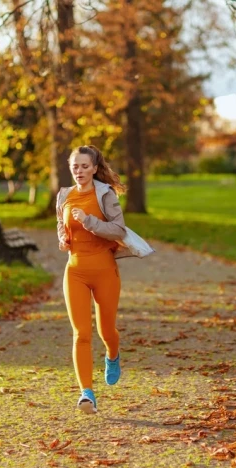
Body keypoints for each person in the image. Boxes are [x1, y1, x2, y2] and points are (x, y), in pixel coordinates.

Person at [56, 145, 153, 414]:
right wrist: (63, 240)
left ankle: (112, 354)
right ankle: (86, 393)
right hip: (74, 270)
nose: (79, 171)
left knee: (105, 330)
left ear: (95, 169)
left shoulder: (105, 194)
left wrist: (89, 222)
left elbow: (118, 229)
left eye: (85, 166)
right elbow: (61, 229)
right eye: (75, 166)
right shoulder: (64, 196)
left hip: (104, 271)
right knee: (81, 334)